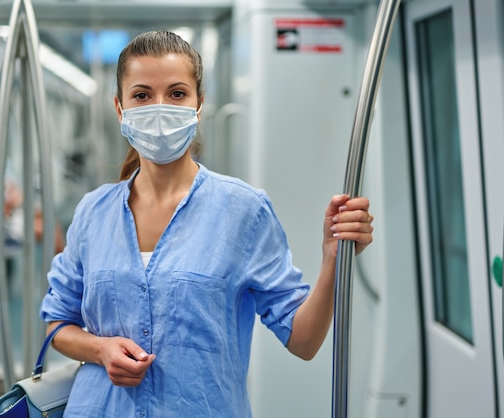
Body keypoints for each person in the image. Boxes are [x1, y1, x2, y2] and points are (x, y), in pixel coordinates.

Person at [39, 30, 374, 417]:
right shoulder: (93, 213)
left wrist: (332, 259)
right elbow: (57, 323)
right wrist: (100, 349)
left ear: (199, 105)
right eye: (142, 95)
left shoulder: (243, 211)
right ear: (120, 108)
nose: (160, 108)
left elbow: (303, 340)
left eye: (177, 93)